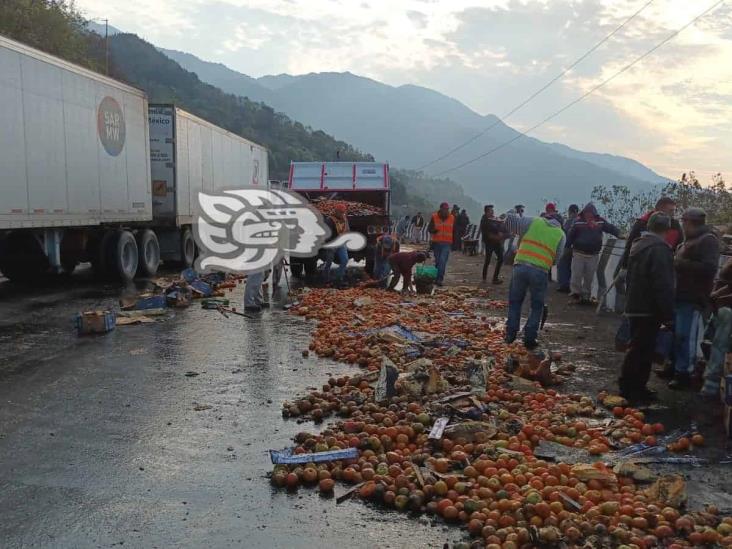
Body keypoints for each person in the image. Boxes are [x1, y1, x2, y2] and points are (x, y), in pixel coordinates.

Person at [618, 213, 675, 402]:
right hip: (648, 307)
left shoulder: (639, 244)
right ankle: (629, 388)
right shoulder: (660, 250)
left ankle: (636, 386)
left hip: (635, 303)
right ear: (666, 230)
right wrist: (668, 312)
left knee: (641, 347)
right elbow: (663, 284)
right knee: (641, 349)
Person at [666, 208, 720, 389]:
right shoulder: (689, 240)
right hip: (680, 294)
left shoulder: (708, 240)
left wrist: (681, 264)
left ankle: (684, 373)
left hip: (693, 297)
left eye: (684, 222)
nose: (682, 225)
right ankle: (673, 366)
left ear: (690, 222)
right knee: (675, 333)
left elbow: (710, 268)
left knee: (685, 335)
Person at [504, 209, 566, 349]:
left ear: (548, 217)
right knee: (537, 306)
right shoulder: (561, 235)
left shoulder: (534, 221)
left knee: (515, 301)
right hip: (540, 271)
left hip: (520, 266)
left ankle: (510, 334)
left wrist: (512, 212)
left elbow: (511, 222)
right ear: (560, 224)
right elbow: (557, 259)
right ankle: (530, 338)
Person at [566, 203, 621, 304]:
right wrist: (567, 247)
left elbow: (611, 228)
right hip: (579, 253)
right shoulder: (578, 222)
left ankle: (586, 296)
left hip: (593, 255)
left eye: (591, 213)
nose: (589, 215)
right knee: (576, 275)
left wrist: (620, 234)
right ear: (584, 213)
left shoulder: (600, 222)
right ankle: (575, 294)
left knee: (589, 277)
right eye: (587, 213)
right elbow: (570, 236)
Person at [620, 197, 682, 269]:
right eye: (671, 211)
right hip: (640, 267)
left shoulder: (675, 226)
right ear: (660, 210)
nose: (673, 214)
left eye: (674, 210)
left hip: (663, 266)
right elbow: (630, 246)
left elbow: (680, 246)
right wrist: (625, 266)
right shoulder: (642, 223)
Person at [700, 257, 732, 398]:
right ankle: (712, 387)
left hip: (726, 313)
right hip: (724, 312)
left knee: (719, 347)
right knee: (717, 346)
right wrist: (716, 296)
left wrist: (718, 297)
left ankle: (711, 387)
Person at [428, 202, 455, 287]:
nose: (446, 211)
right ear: (441, 209)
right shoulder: (434, 217)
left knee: (442, 261)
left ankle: (439, 279)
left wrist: (456, 243)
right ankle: (436, 277)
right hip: (437, 243)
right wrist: (433, 230)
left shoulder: (452, 218)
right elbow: (430, 228)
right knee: (438, 261)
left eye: (447, 209)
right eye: (444, 209)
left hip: (447, 243)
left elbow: (455, 231)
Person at [323, 204, 349, 286]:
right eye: (341, 212)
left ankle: (338, 278)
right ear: (336, 212)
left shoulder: (344, 219)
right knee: (328, 262)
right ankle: (326, 279)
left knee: (345, 260)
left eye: (343, 212)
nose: (342, 214)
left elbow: (347, 230)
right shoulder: (329, 220)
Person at [479, 204, 505, 284]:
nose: (493, 212)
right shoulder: (484, 220)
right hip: (489, 242)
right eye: (491, 210)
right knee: (488, 260)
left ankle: (495, 278)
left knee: (501, 258)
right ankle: (484, 277)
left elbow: (498, 227)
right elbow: (487, 234)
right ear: (487, 212)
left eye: (493, 210)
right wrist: (498, 236)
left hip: (496, 242)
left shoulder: (494, 219)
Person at [557, 204, 579, 293]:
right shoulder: (579, 221)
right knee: (570, 267)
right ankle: (569, 285)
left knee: (562, 264)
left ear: (570, 212)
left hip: (567, 247)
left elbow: (564, 233)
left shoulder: (569, 221)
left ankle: (564, 285)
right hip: (577, 248)